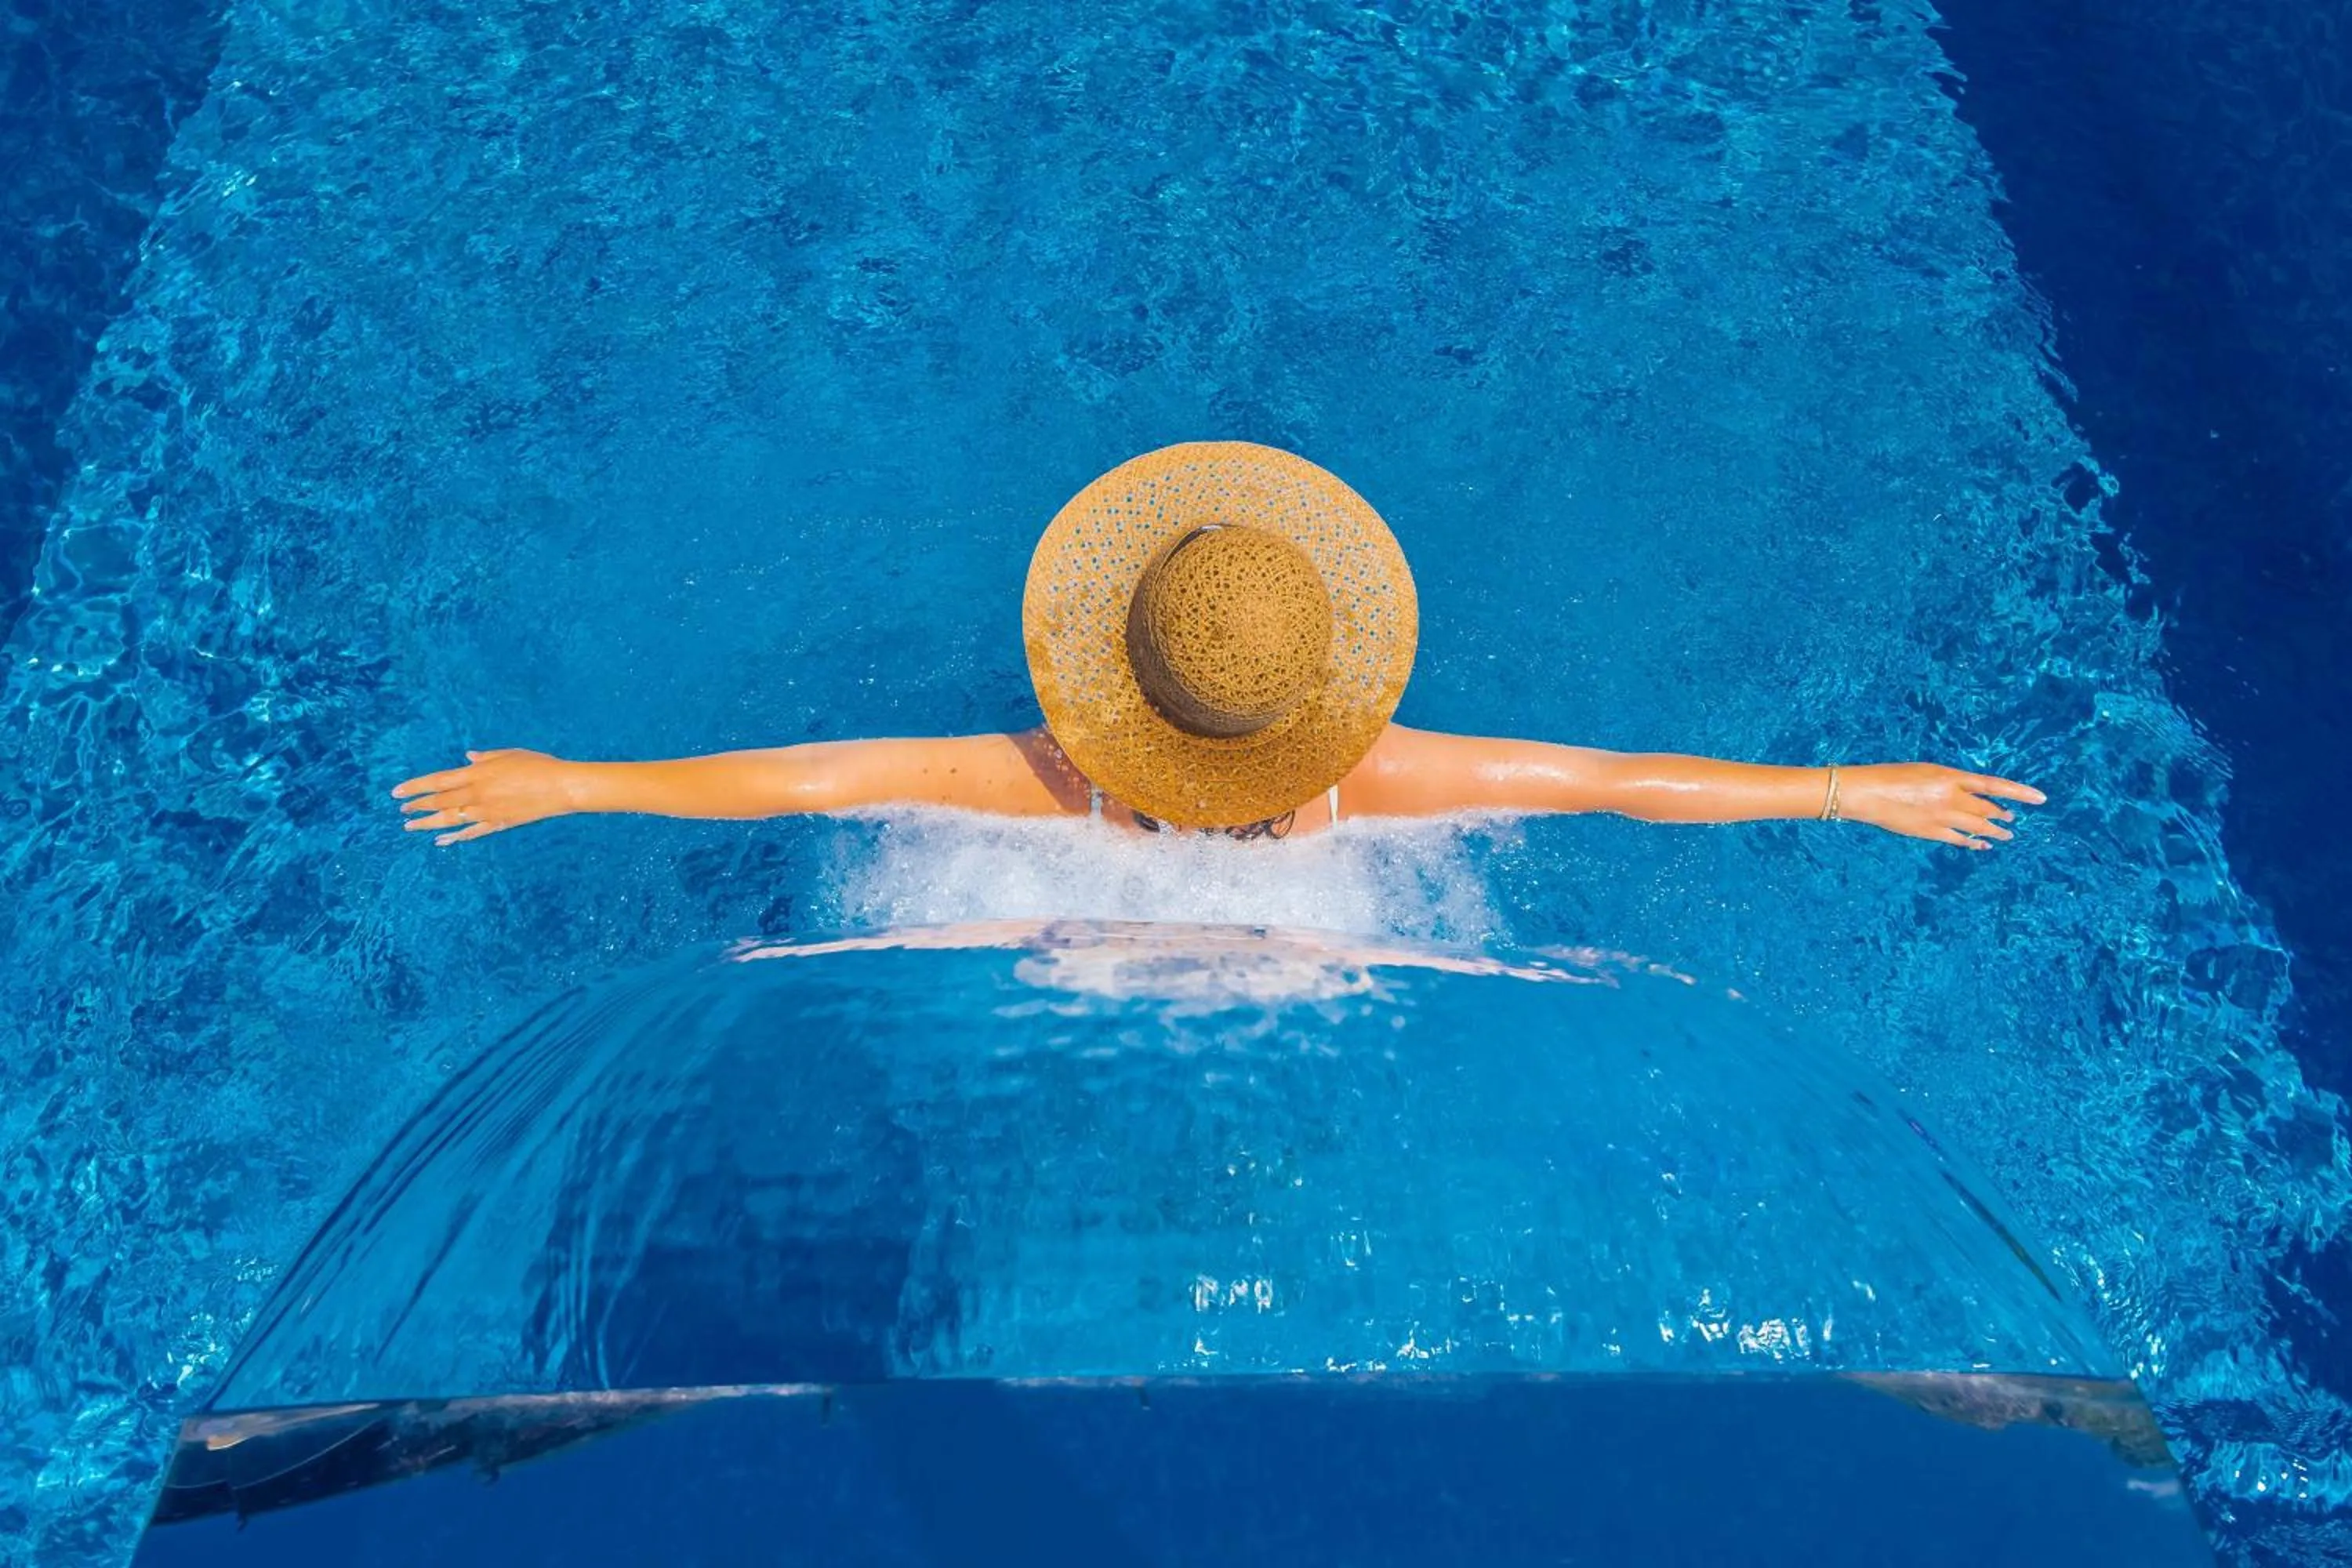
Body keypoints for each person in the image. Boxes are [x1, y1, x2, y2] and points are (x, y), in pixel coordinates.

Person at [394, 443, 2042, 848]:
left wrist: (578, 780)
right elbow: (1614, 782)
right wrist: (1844, 792)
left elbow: (819, 779)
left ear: (1124, 682)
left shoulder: (1049, 788)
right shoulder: (1372, 791)